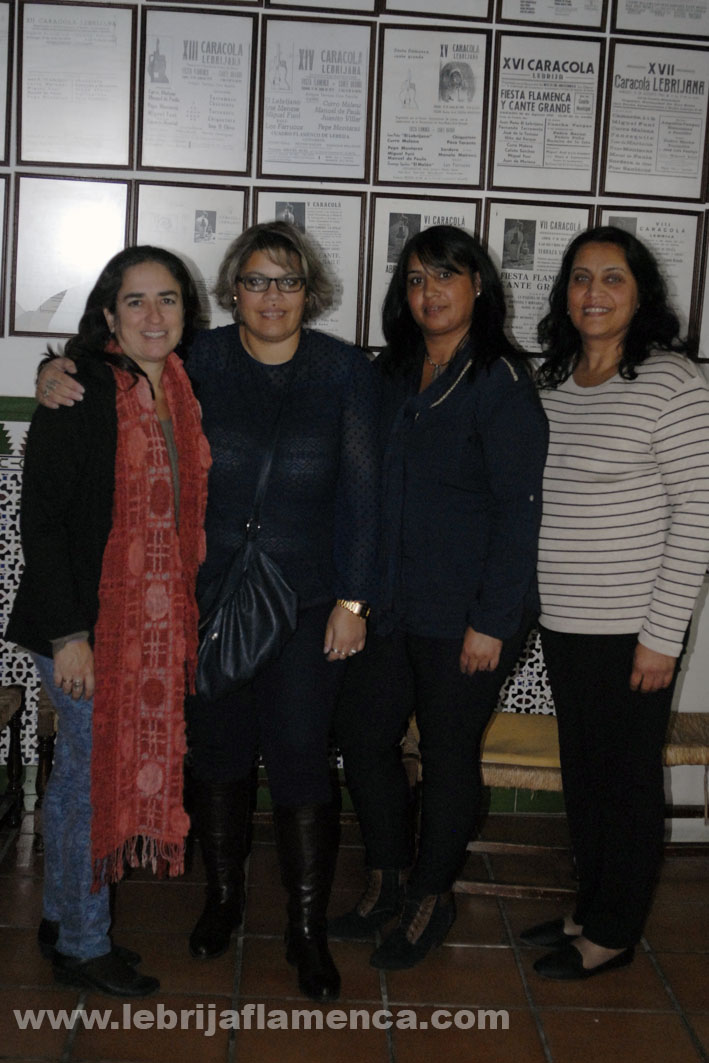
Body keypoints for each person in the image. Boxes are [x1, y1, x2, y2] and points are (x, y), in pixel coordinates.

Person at [35, 221, 381, 1004]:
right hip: (202, 600)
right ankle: (222, 900)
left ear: (309, 292)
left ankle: (304, 929)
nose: (271, 296)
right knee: (219, 754)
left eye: (287, 281)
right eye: (255, 280)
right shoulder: (201, 358)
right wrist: (52, 369)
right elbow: (116, 363)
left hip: (308, 602)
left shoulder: (344, 371)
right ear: (231, 291)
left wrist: (354, 599)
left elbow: (366, 495)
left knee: (299, 758)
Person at [330, 225, 549, 970]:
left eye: (445, 277)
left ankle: (431, 895)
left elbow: (518, 512)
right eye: (416, 279)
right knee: (364, 738)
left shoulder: (501, 381)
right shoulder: (390, 370)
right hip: (390, 601)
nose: (429, 293)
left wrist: (491, 621)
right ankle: (387, 879)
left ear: (478, 285)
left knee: (448, 753)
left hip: (468, 613)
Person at [7, 247, 211, 997]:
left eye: (168, 299)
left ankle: (63, 918)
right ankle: (85, 944)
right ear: (108, 314)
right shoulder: (82, 391)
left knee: (76, 782)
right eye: (135, 301)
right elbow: (42, 523)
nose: (153, 315)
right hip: (83, 630)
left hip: (142, 629)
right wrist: (70, 639)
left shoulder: (179, 389)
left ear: (186, 312)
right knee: (94, 782)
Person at [520, 226, 709, 980]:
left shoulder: (671, 382)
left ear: (640, 294)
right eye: (579, 278)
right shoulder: (555, 379)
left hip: (634, 629)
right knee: (586, 776)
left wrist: (662, 636)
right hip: (564, 623)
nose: (592, 292)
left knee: (624, 783)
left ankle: (612, 933)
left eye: (612, 278)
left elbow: (699, 513)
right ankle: (589, 906)